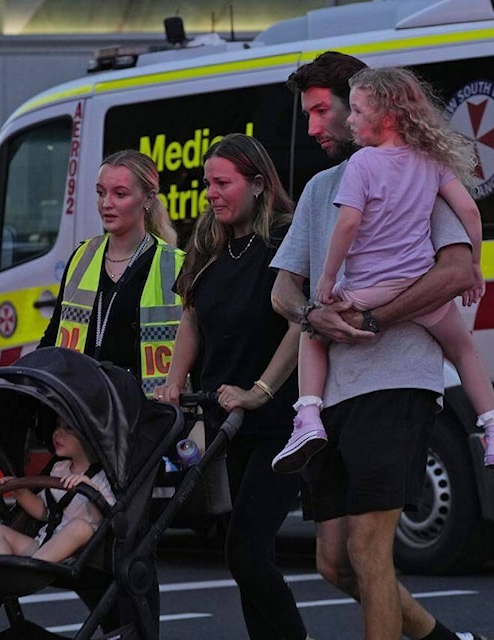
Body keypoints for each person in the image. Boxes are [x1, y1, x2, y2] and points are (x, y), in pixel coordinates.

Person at [271, 51, 486, 640]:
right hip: (331, 397)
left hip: (396, 382)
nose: (313, 128)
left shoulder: (416, 168)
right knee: (335, 563)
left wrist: (370, 317)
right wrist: (313, 314)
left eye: (322, 112)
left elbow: (457, 271)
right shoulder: (320, 188)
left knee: (368, 552)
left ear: (365, 107)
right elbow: (283, 289)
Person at [273, 66, 494, 478]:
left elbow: (348, 225)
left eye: (355, 112)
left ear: (385, 116)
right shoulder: (432, 161)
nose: (349, 120)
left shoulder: (364, 165)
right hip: (416, 286)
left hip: (369, 290)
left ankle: (307, 418)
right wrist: (477, 264)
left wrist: (327, 277)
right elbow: (469, 212)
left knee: (313, 333)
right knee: (463, 349)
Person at [156, 133, 308, 640]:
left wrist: (260, 390)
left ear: (259, 184)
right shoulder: (209, 238)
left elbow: (299, 325)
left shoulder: (287, 237)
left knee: (244, 548)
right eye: (207, 184)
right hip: (229, 423)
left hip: (281, 421)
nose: (211, 194)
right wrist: (174, 382)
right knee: (246, 554)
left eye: (223, 183)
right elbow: (191, 318)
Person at [39, 149, 183, 397]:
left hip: (148, 417)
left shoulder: (175, 264)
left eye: (120, 194)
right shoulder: (82, 257)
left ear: (148, 199)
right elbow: (54, 334)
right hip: (82, 409)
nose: (106, 204)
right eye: (100, 193)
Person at [0, 421, 116, 563]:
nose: (57, 432)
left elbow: (110, 516)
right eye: (57, 425)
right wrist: (19, 490)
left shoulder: (103, 478)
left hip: (78, 555)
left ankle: (28, 572)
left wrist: (92, 489)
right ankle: (1, 576)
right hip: (45, 547)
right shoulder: (59, 468)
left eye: (68, 427)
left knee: (80, 527)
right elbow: (44, 511)